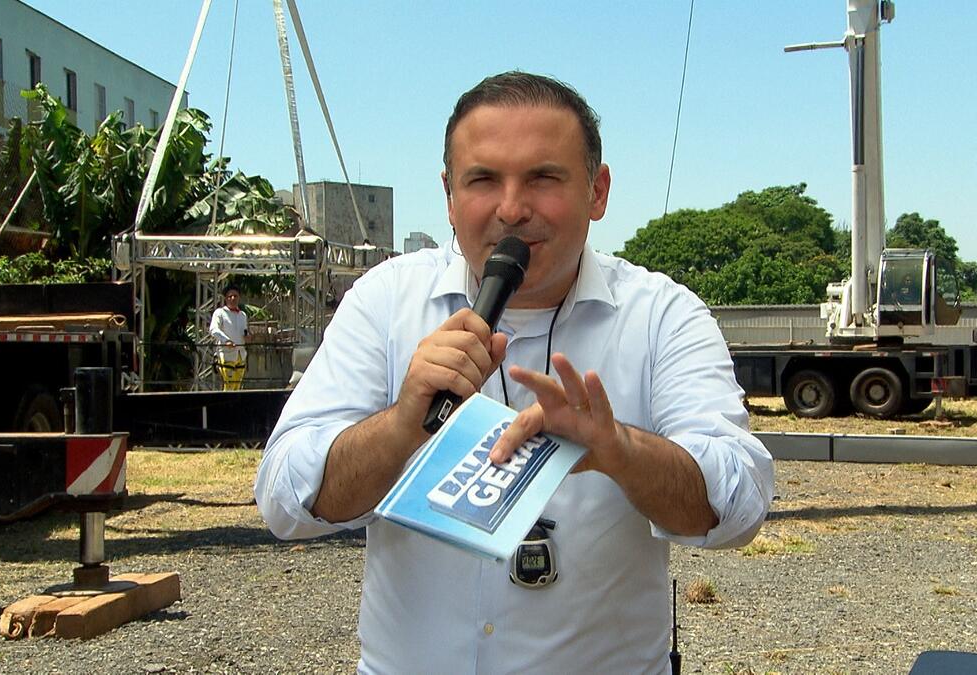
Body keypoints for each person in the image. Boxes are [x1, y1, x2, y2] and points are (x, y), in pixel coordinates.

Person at [255, 71, 775, 673]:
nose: (511, 209)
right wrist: (400, 426)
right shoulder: (386, 301)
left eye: (543, 178)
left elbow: (738, 506)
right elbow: (284, 503)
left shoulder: (662, 315)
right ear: (449, 196)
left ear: (598, 192)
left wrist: (619, 449)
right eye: (482, 180)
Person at [210, 285, 248, 391]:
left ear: (239, 297)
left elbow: (243, 332)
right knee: (229, 385)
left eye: (235, 296)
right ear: (226, 298)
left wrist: (248, 337)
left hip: (241, 354)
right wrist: (226, 340)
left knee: (237, 386)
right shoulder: (220, 313)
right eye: (230, 296)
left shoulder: (243, 315)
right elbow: (213, 329)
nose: (233, 298)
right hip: (226, 354)